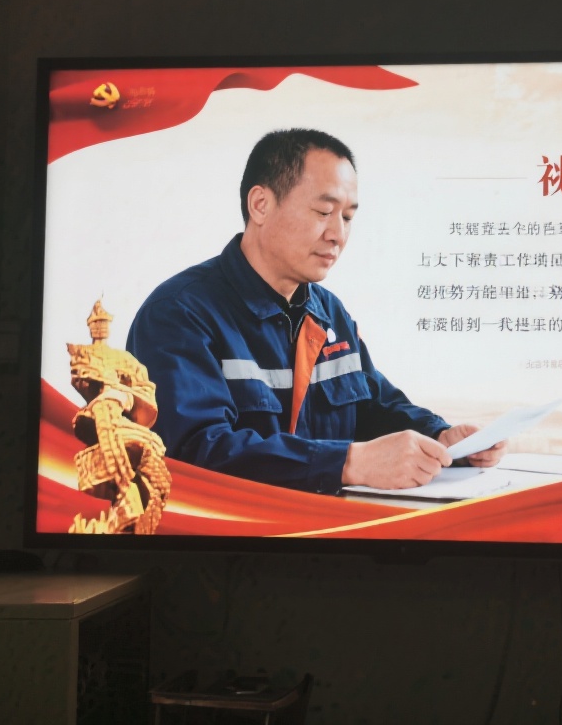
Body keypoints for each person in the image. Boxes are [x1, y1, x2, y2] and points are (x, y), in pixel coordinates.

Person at [127, 128, 506, 494]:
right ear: (260, 205)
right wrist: (348, 463)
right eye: (324, 211)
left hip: (326, 527)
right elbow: (195, 453)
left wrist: (441, 440)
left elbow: (372, 406)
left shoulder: (328, 312)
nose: (337, 234)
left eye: (348, 217)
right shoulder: (179, 315)